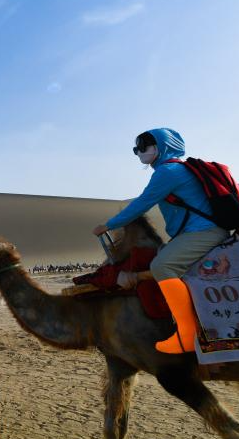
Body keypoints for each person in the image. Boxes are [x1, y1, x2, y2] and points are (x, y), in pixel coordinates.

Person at [92, 128, 230, 354]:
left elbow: (142, 203)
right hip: (193, 233)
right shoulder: (173, 170)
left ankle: (187, 334)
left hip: (204, 232)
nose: (139, 152)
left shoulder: (168, 171)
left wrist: (108, 225)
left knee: (161, 266)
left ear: (161, 146)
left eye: (143, 146)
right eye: (136, 148)